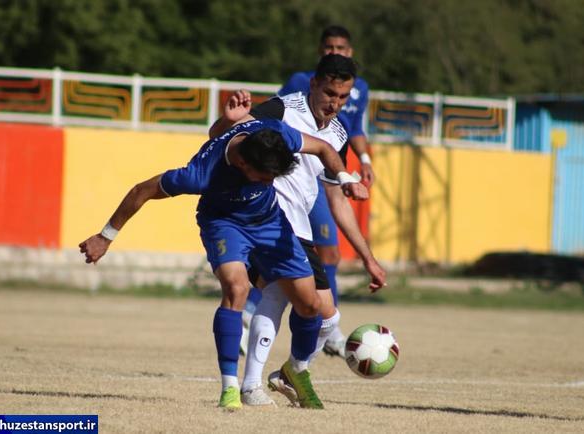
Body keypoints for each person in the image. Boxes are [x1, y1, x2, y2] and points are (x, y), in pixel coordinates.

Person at [79, 115, 368, 410]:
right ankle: (231, 388)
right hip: (224, 224)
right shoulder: (199, 174)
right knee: (236, 287)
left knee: (311, 305)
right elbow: (141, 191)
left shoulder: (274, 134)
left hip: (269, 221)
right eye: (265, 177)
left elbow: (323, 148)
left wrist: (345, 178)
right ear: (243, 164)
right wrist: (105, 236)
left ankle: (295, 369)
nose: (270, 182)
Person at [211, 54, 386, 407]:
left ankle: (266, 381)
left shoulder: (338, 134)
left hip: (297, 227)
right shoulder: (279, 110)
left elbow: (336, 200)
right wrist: (222, 123)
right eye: (329, 94)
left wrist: (368, 258)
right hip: (270, 221)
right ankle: (277, 376)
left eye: (342, 98)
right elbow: (224, 135)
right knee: (323, 313)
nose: (335, 104)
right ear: (313, 84)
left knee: (291, 302)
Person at [277, 25, 375, 358]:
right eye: (329, 47)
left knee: (327, 257)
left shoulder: (358, 89)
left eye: (342, 48)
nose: (336, 103)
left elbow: (355, 129)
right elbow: (265, 121)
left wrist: (361, 160)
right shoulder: (297, 86)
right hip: (286, 185)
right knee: (272, 282)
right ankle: (250, 356)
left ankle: (307, 352)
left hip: (324, 178)